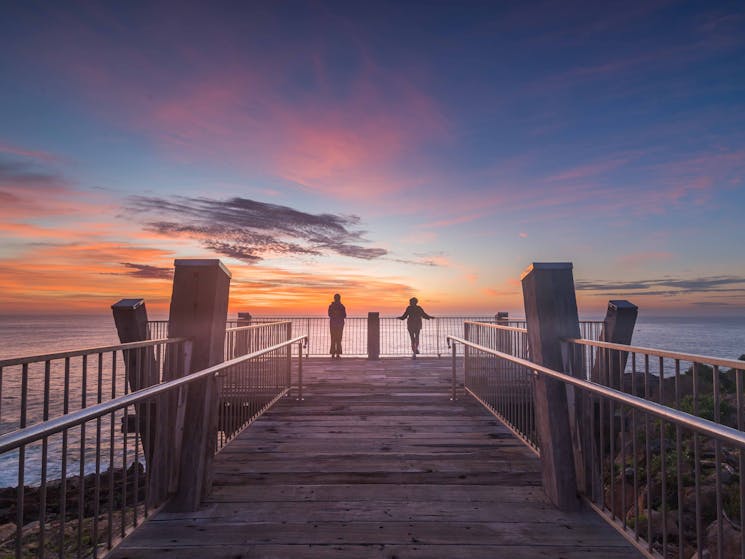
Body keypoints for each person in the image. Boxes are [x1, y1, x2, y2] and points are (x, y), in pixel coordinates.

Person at [328, 293, 346, 359]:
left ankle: (332, 353)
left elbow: (329, 314)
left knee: (333, 339)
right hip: (340, 324)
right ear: (339, 298)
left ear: (334, 298)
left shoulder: (331, 306)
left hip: (333, 324)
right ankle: (338, 354)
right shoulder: (342, 306)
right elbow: (344, 315)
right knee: (339, 339)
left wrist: (335, 315)